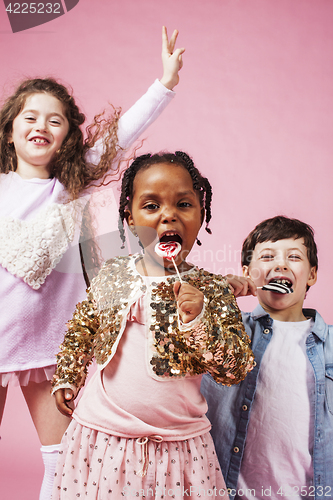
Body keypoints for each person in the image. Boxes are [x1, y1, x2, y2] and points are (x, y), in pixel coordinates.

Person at [0, 27, 185, 500]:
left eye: (56, 120)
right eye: (30, 116)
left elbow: (123, 134)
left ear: (67, 137)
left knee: (60, 461)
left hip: (50, 347)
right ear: (10, 128)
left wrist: (163, 83)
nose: (41, 125)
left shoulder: (69, 186)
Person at [51, 151, 255, 499]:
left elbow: (234, 367)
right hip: (102, 437)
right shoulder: (113, 274)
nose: (168, 215)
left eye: (183, 204)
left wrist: (198, 319)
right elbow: (83, 328)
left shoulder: (213, 290)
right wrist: (68, 375)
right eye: (151, 206)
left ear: (201, 214)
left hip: (179, 448)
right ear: (130, 219)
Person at [201, 216, 333, 500]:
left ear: (311, 275)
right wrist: (217, 295)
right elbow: (183, 328)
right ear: (248, 272)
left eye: (294, 256)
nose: (281, 264)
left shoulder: (330, 344)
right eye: (268, 256)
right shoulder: (228, 331)